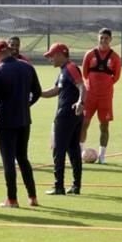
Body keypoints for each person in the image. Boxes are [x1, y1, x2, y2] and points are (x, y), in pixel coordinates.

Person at [0, 39, 42, 208]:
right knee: (23, 158)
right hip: (24, 120)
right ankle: (32, 197)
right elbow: (37, 92)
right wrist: (26, 104)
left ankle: (12, 199)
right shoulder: (27, 67)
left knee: (8, 161)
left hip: (6, 121)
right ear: (9, 50)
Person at [40, 43, 85, 195]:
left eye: (51, 56)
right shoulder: (63, 71)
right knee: (73, 150)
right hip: (73, 115)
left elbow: (81, 86)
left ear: (60, 54)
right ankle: (76, 185)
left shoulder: (70, 68)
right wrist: (37, 92)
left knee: (58, 150)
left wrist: (80, 101)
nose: (50, 59)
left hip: (66, 114)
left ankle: (58, 186)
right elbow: (55, 91)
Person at [79, 28, 122, 164]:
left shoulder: (115, 57)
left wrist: (105, 85)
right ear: (98, 38)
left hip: (105, 96)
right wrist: (92, 85)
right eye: (101, 38)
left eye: (106, 38)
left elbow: (116, 76)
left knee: (104, 126)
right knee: (84, 123)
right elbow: (84, 73)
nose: (103, 40)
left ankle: (102, 156)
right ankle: (80, 152)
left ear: (110, 40)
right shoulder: (90, 54)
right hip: (90, 95)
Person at [0, 35, 29, 165]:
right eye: (12, 45)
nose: (15, 48)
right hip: (4, 100)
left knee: (19, 128)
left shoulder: (24, 61)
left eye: (17, 45)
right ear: (7, 46)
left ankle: (18, 155)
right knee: (0, 128)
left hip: (19, 100)